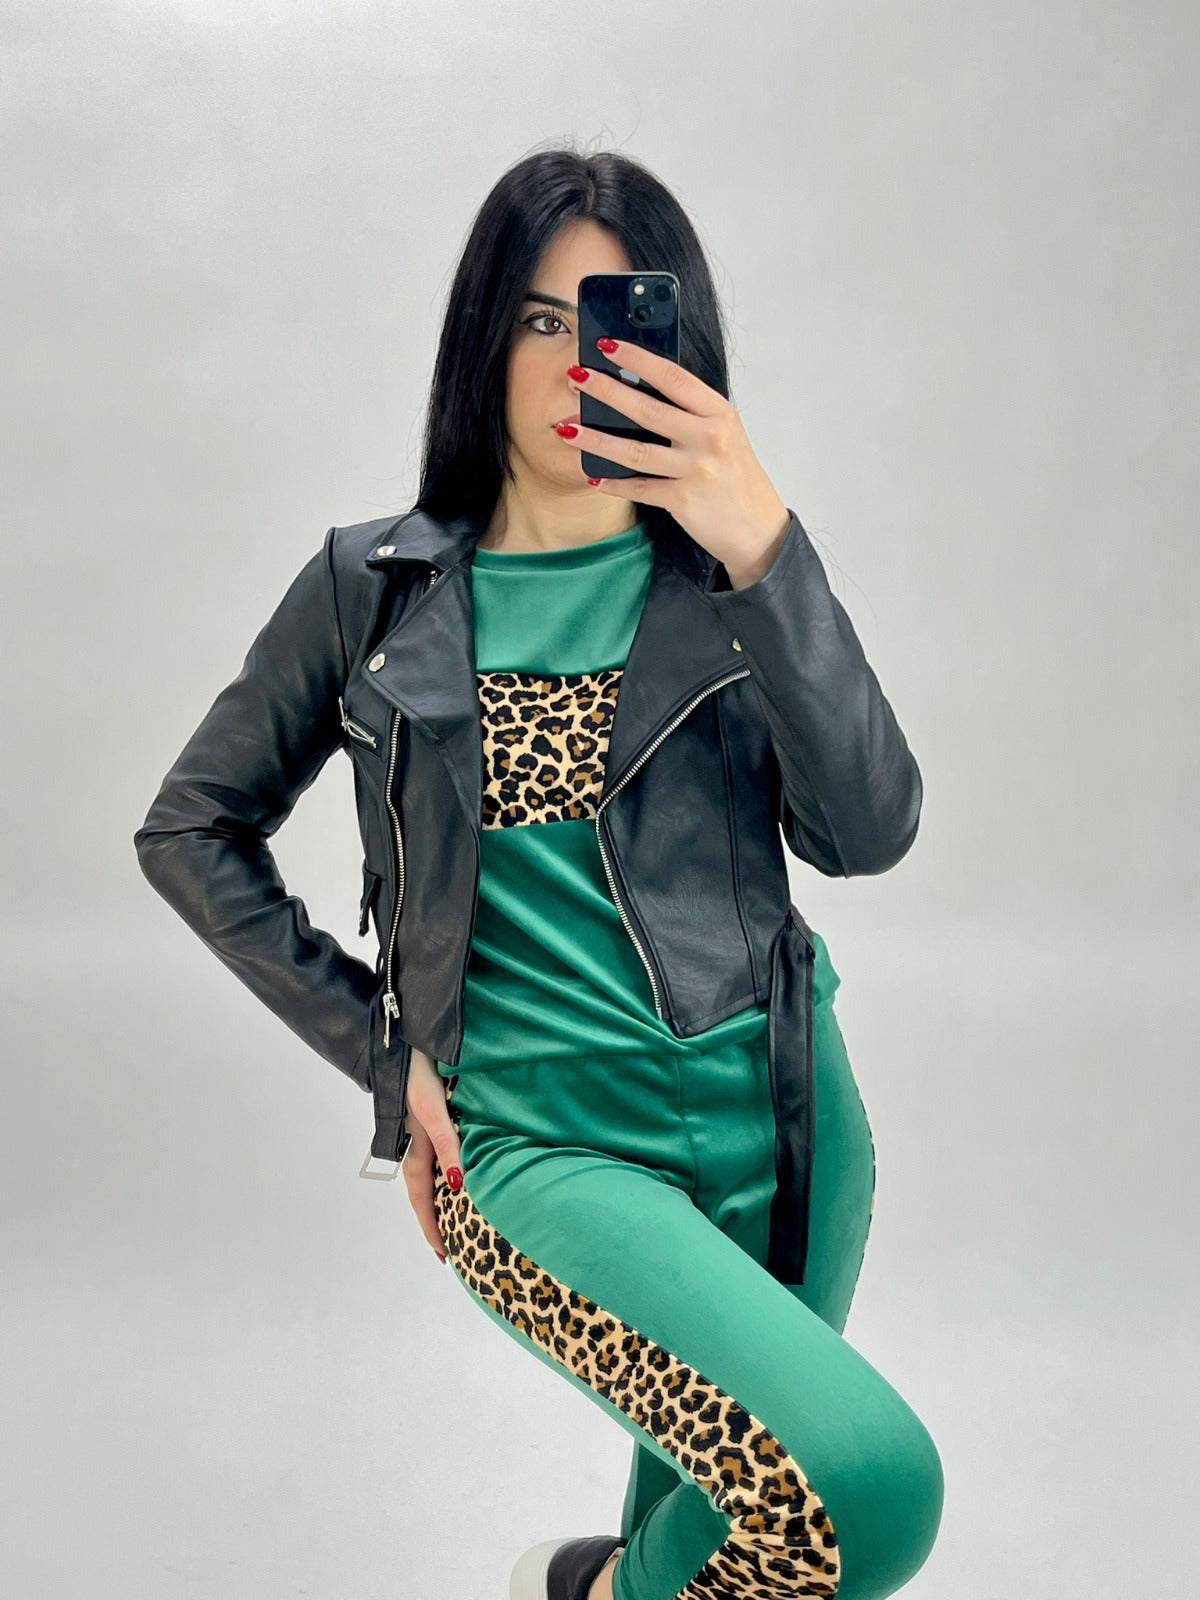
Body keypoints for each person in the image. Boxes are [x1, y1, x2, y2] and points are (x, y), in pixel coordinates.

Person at [135, 143, 944, 1600]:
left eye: (616, 321)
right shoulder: (369, 589)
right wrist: (382, 1049)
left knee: (749, 1530)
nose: (578, 363)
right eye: (538, 319)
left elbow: (869, 830)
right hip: (531, 1147)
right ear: (481, 337)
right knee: (861, 1488)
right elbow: (192, 828)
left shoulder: (731, 580)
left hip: (786, 1119)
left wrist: (764, 546)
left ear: (679, 351)